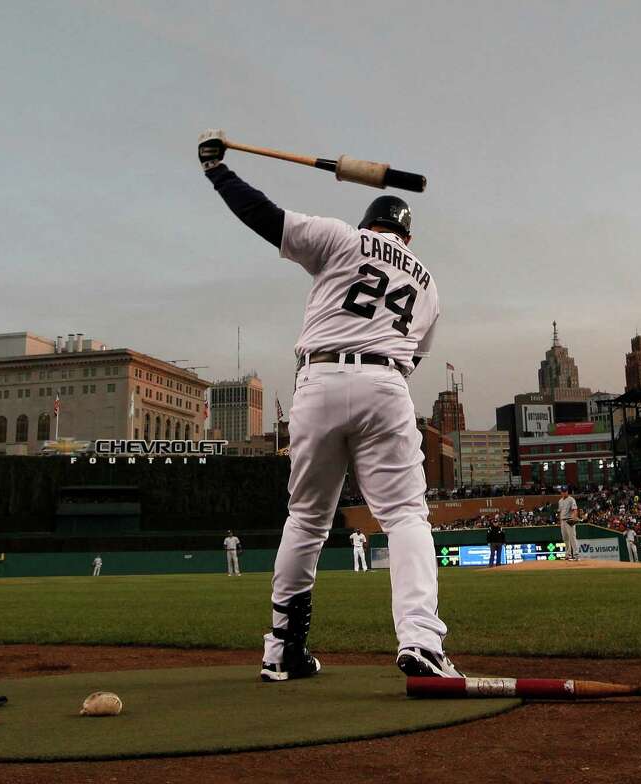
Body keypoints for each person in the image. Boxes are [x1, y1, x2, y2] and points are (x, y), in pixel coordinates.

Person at [200, 130, 459, 682]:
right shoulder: (430, 284)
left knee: (307, 520)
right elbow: (413, 356)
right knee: (406, 516)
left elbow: (264, 216)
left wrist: (217, 171)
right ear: (407, 236)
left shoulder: (343, 238)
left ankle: (283, 649)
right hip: (387, 381)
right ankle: (420, 641)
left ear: (370, 223)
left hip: (318, 378)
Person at [558, 486, 580, 561]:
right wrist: (560, 520)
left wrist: (574, 518)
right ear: (561, 492)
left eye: (565, 491)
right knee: (565, 538)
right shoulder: (560, 501)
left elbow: (575, 510)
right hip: (563, 521)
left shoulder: (571, 499)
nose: (564, 492)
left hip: (569, 520)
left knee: (572, 538)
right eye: (563, 491)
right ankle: (568, 555)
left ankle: (576, 555)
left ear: (567, 491)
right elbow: (560, 511)